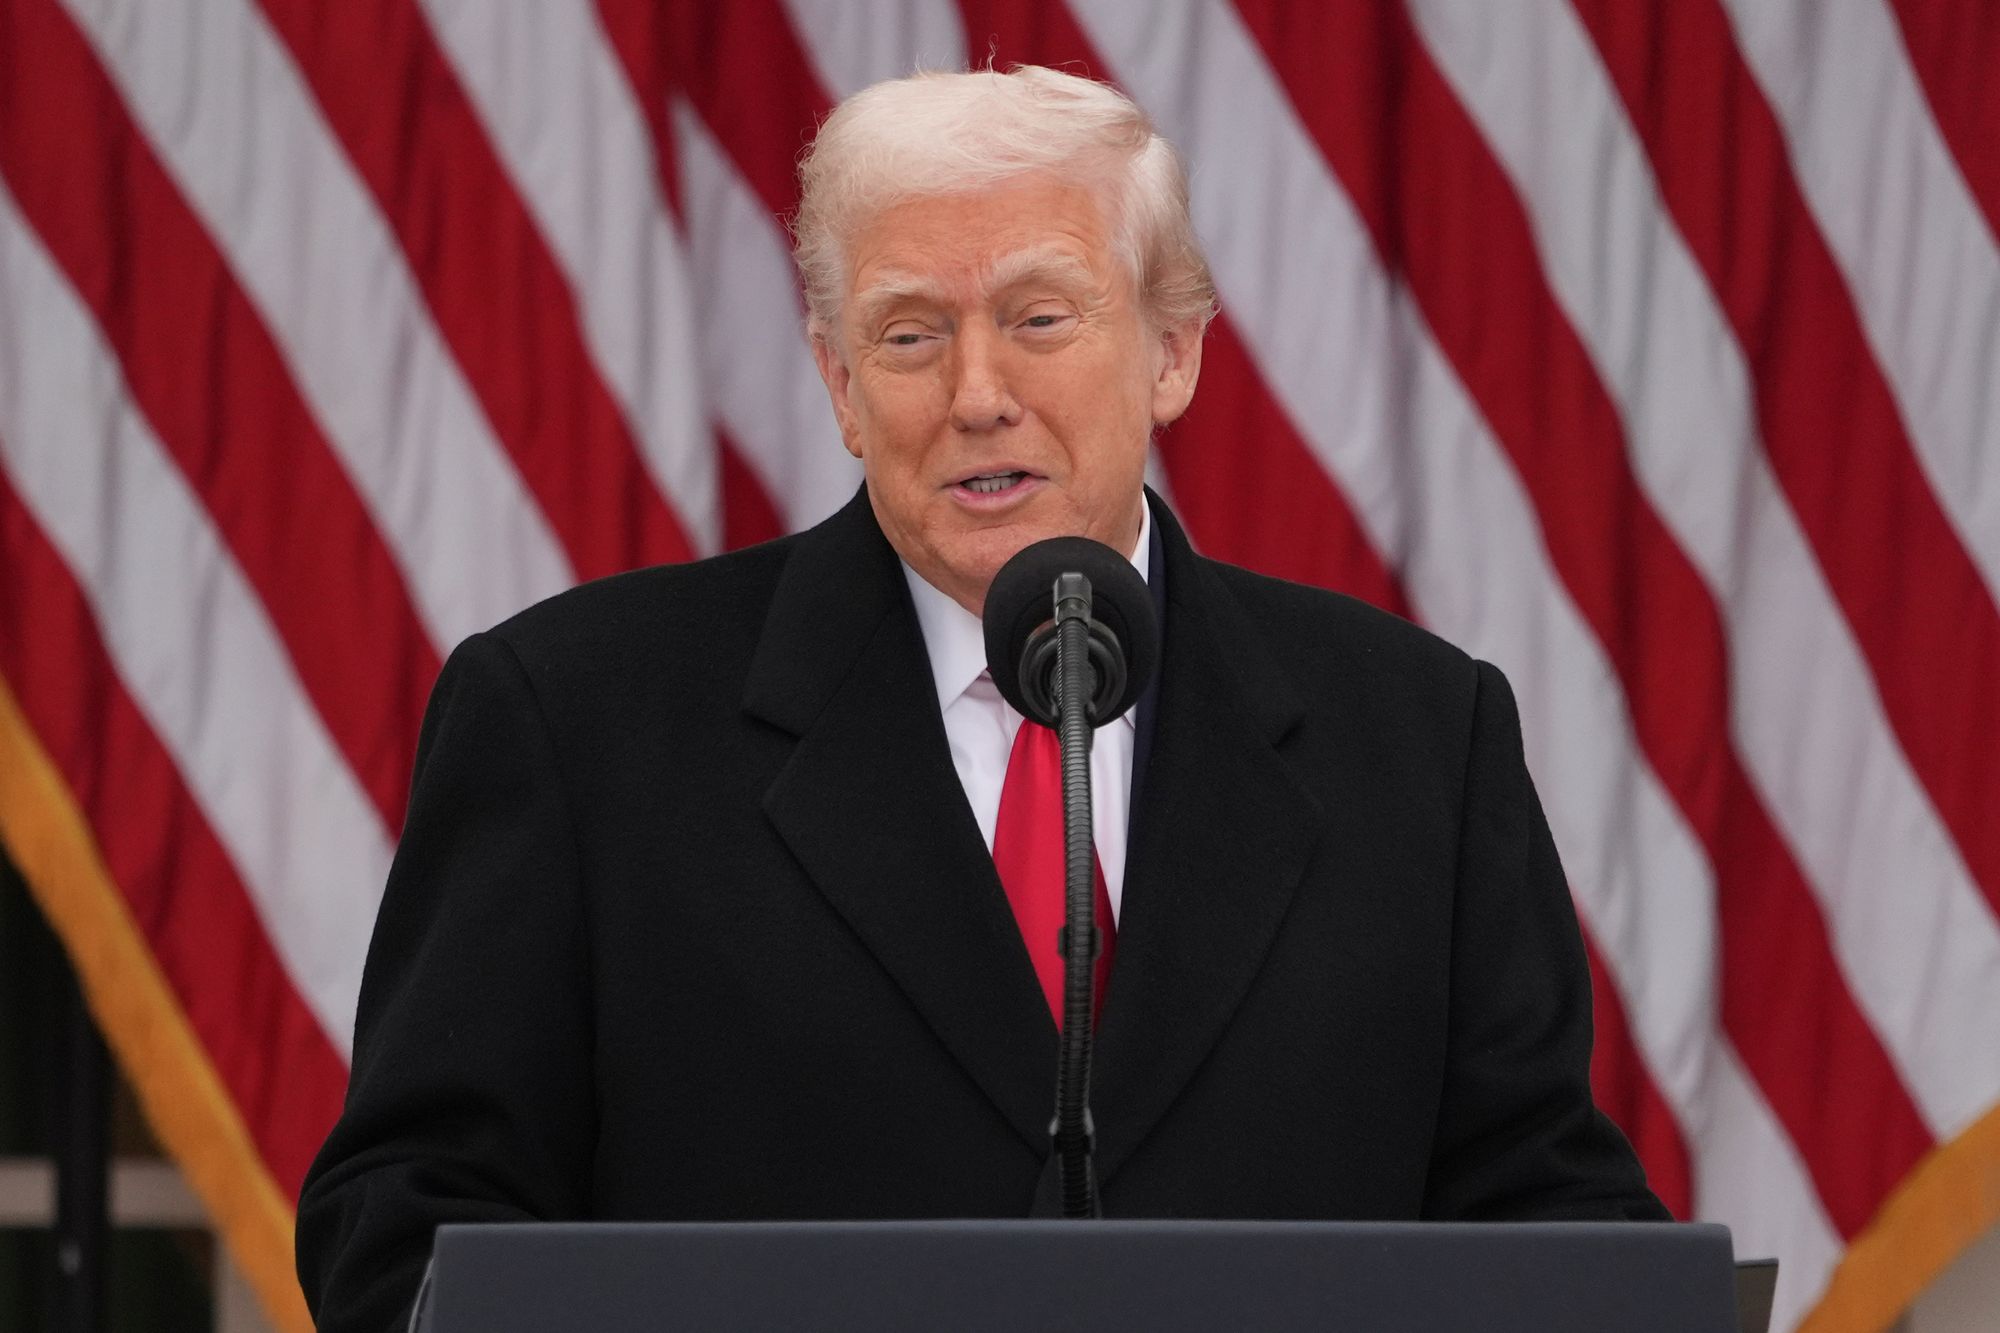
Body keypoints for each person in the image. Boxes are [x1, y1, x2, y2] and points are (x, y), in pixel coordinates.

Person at [296, 65, 1665, 1332]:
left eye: (1039, 317)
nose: (977, 393)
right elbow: (405, 1234)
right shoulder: (574, 722)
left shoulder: (1421, 739)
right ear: (839, 383)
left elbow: (1549, 1220)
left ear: (1173, 351)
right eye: (907, 335)